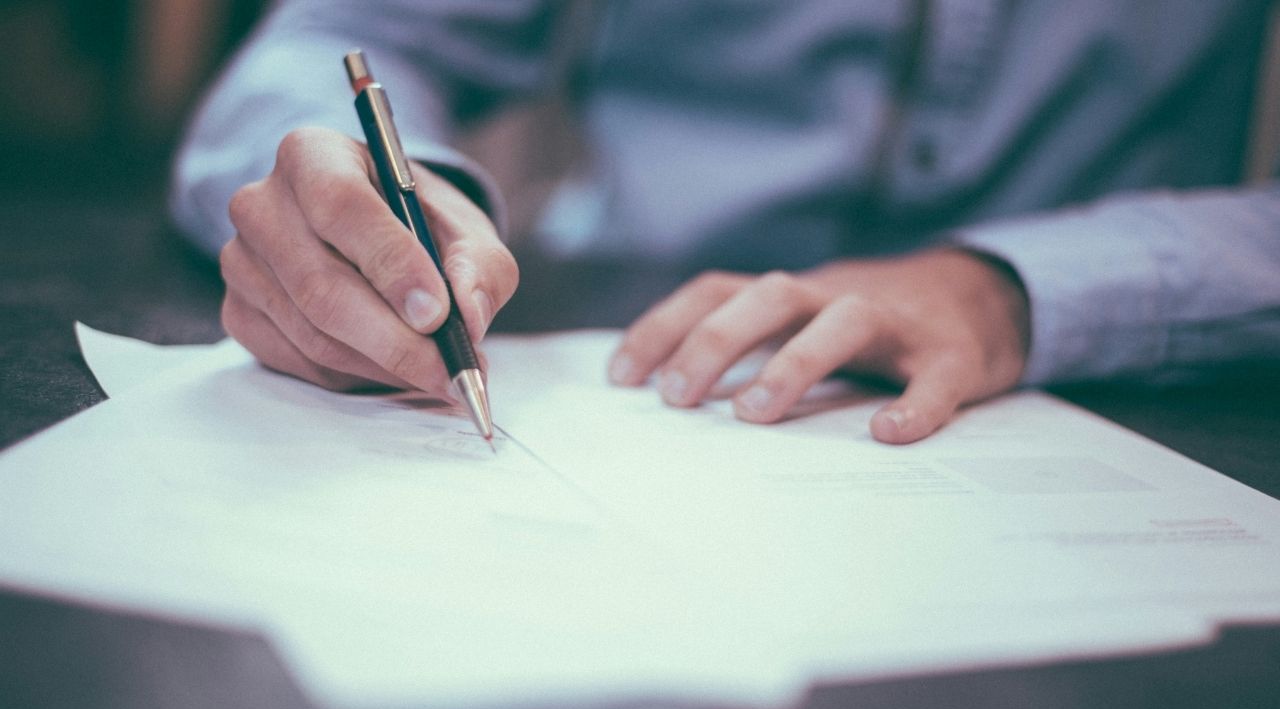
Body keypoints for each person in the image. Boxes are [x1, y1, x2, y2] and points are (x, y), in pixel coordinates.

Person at [171, 0, 1280, 444]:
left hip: (1113, 394)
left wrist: (1011, 285)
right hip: (620, 351)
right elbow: (342, 35)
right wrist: (354, 200)